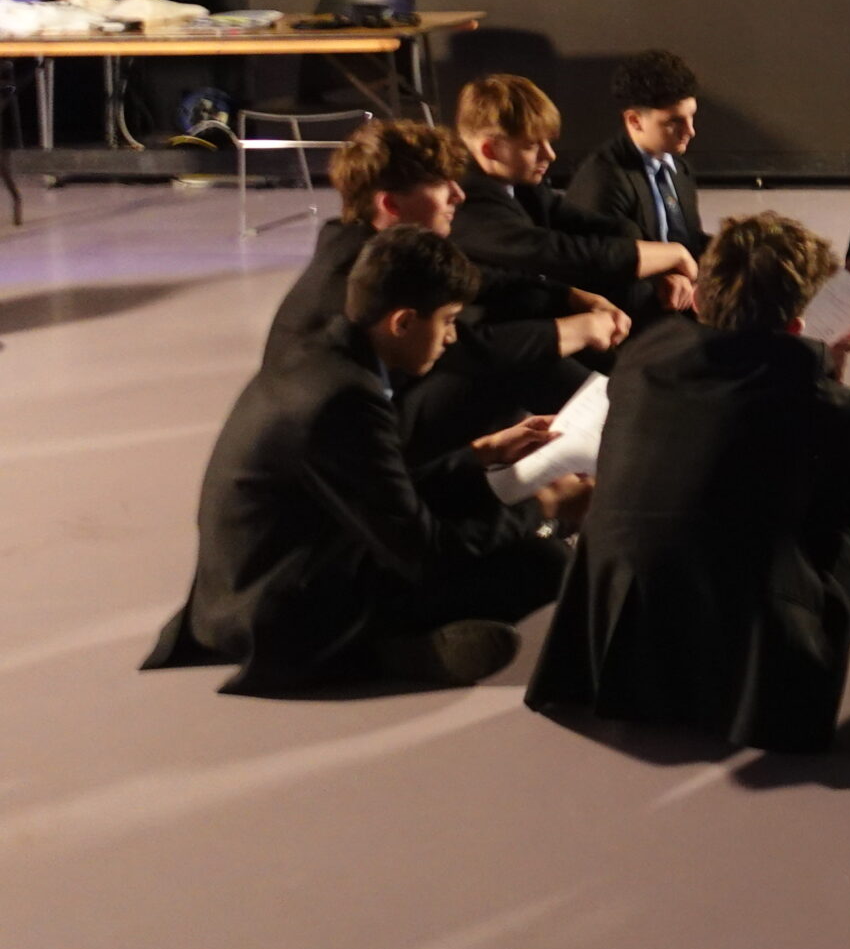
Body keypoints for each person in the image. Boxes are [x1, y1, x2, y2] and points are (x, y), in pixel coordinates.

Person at [141, 229, 590, 694]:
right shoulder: (345, 399)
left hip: (251, 584)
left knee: (480, 511)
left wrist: (482, 454)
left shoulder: (326, 354)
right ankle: (379, 648)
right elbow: (426, 554)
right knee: (542, 562)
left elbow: (381, 484)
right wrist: (544, 508)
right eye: (449, 321)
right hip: (280, 612)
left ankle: (398, 641)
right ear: (402, 322)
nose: (453, 337)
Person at [527, 213, 850, 752]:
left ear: (699, 301)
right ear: (798, 324)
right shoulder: (822, 401)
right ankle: (833, 606)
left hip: (616, 610)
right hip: (753, 630)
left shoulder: (641, 356)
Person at [265, 119, 622, 380]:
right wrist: (584, 328)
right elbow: (467, 349)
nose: (459, 195)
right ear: (390, 205)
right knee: (510, 367)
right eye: (440, 185)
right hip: (358, 442)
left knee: (522, 321)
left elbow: (485, 282)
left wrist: (571, 297)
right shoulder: (356, 272)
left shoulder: (371, 244)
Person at [451, 73, 697, 329]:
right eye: (533, 145)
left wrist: (662, 268)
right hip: (495, 340)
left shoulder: (522, 186)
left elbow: (612, 228)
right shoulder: (467, 199)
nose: (550, 154)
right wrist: (671, 255)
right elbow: (556, 252)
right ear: (489, 149)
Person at [565, 49, 709, 259]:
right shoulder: (604, 180)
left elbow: (690, 243)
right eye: (674, 121)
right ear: (634, 120)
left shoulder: (679, 169)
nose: (690, 131)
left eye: (691, 117)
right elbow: (605, 265)